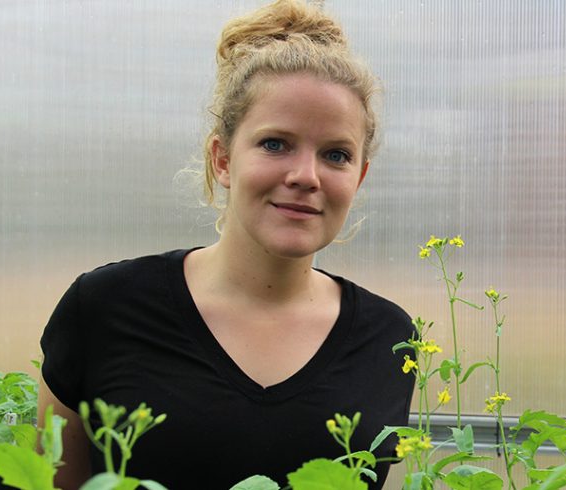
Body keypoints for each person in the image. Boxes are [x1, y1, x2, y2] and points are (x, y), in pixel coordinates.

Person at [37, 1, 415, 488]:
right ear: (222, 159)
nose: (305, 176)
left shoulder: (389, 338)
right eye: (275, 143)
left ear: (359, 177)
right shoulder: (105, 308)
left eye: (336, 154)